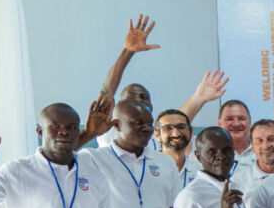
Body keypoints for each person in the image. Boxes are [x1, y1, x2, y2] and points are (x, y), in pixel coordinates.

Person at [89, 15, 226, 151]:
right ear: (117, 107)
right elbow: (106, 93)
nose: (137, 101)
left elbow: (175, 121)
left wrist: (199, 98)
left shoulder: (156, 138)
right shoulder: (110, 131)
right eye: (130, 97)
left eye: (143, 97)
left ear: (151, 107)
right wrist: (128, 51)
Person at [231, 119, 274, 192]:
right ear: (252, 147)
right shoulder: (238, 182)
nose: (265, 146)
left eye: (271, 139)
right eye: (259, 141)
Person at [155, 108, 201, 188]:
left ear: (191, 132)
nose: (176, 134)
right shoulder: (147, 169)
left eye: (181, 127)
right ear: (157, 135)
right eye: (168, 128)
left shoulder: (200, 172)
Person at [216, 100, 257, 170]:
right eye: (229, 119)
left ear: (250, 122)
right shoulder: (212, 154)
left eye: (241, 119)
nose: (236, 124)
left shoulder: (262, 151)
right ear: (219, 124)